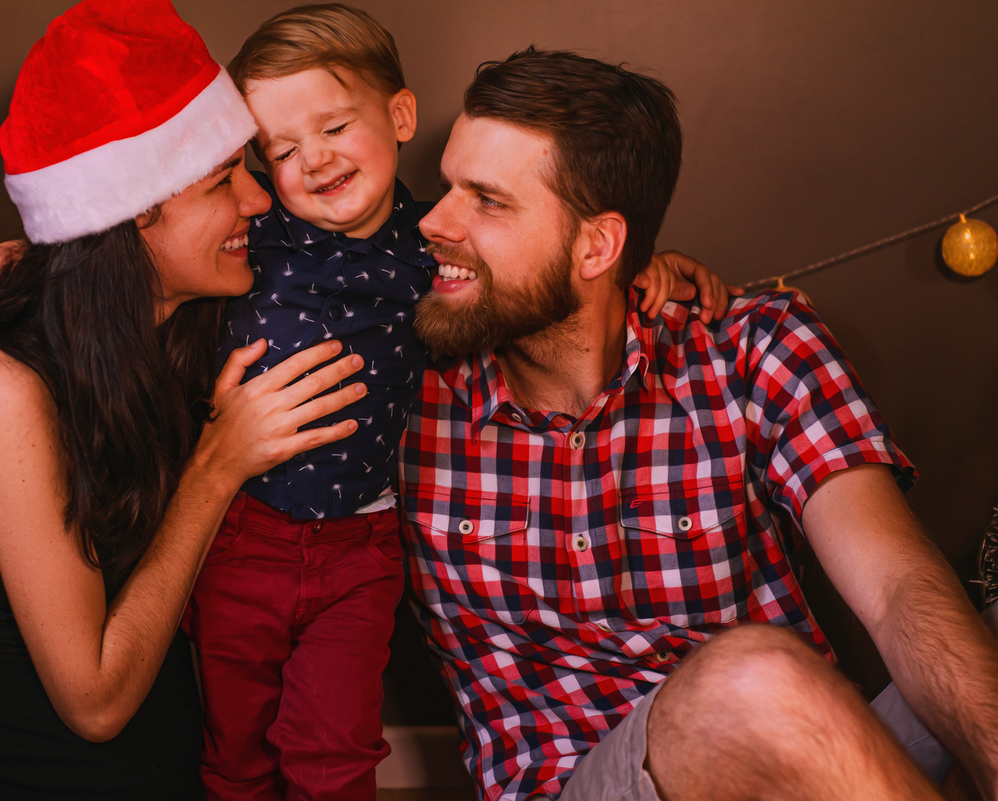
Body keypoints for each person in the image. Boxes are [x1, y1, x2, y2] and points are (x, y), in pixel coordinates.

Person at [399, 47, 998, 801]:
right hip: (582, 779)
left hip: (812, 749)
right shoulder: (398, 385)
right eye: (449, 185)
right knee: (751, 677)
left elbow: (897, 585)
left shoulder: (750, 345)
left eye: (485, 200)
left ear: (597, 246)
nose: (433, 220)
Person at [177, 7, 737, 800]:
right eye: (282, 150)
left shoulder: (433, 247)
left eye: (334, 125)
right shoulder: (255, 230)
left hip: (359, 545)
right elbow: (157, 248)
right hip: (244, 528)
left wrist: (653, 264)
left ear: (399, 115)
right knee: (234, 744)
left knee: (329, 746)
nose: (315, 160)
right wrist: (37, 257)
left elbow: (548, 278)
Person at [0, 1, 367, 797]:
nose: (259, 200)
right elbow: (93, 701)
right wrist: (217, 463)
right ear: (131, 216)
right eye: (222, 179)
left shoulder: (192, 329)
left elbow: (385, 260)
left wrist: (632, 279)